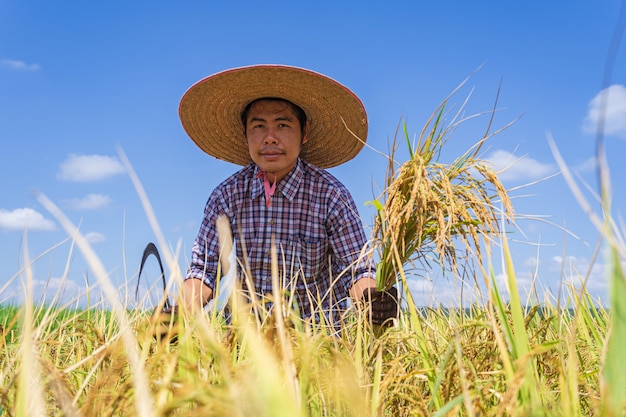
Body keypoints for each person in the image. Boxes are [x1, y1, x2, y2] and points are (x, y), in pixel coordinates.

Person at [176, 64, 398, 328]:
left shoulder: (330, 196)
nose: (269, 138)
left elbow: (357, 271)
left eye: (282, 125)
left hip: (316, 340)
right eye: (258, 126)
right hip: (246, 340)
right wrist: (178, 313)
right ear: (246, 134)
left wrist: (372, 300)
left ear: (303, 133)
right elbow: (204, 271)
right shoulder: (227, 196)